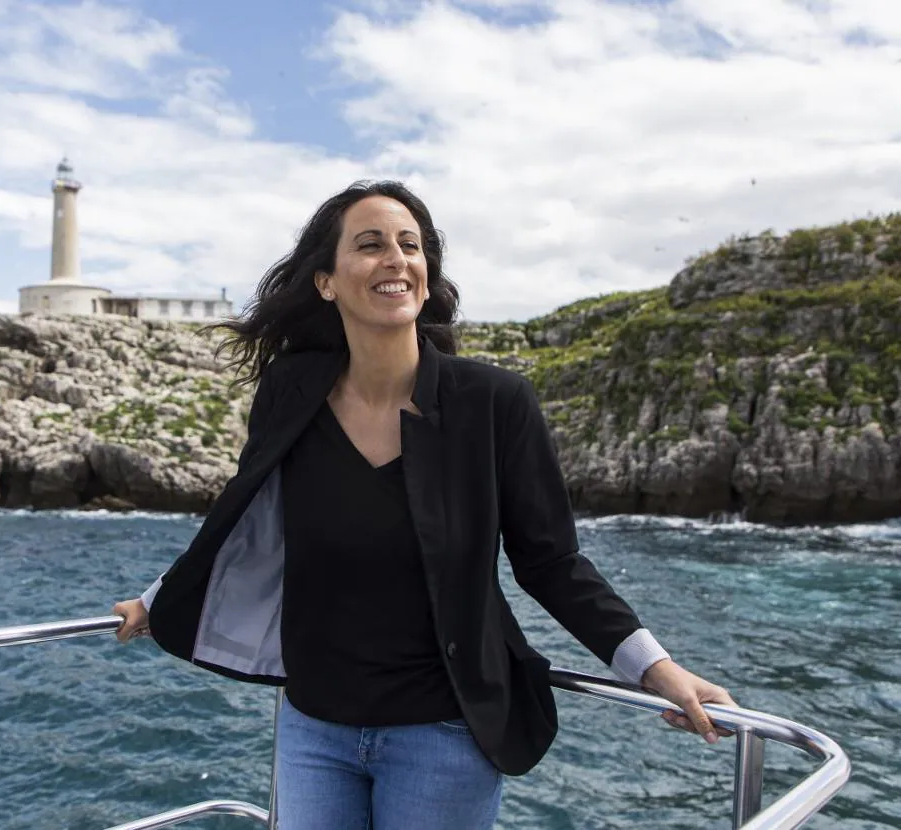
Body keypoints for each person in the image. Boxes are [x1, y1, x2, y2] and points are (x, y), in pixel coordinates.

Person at [112, 180, 736, 829]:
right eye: (371, 244)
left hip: (444, 733)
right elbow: (246, 513)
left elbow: (551, 562)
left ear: (427, 271)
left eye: (410, 245)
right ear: (326, 280)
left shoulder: (495, 403)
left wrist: (655, 668)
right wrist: (157, 601)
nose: (395, 258)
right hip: (313, 729)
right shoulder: (290, 389)